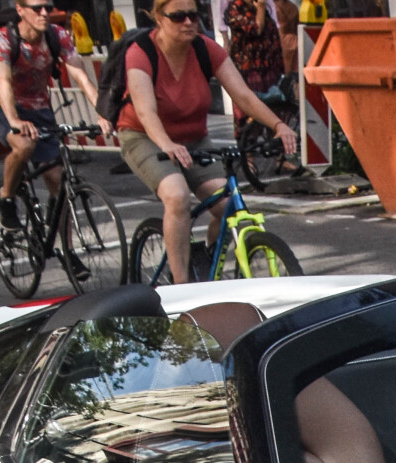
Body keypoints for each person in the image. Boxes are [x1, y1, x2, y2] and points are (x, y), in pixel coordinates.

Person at [118, 0, 295, 282]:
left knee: (227, 206)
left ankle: (210, 256)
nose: (188, 22)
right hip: (145, 136)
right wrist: (166, 144)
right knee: (176, 196)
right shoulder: (142, 52)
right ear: (159, 19)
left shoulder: (205, 48)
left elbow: (244, 95)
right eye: (178, 17)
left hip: (193, 137)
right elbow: (144, 110)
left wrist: (277, 124)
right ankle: (182, 286)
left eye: (193, 15)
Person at [0, 0, 107, 228]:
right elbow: (3, 82)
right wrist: (14, 120)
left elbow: (80, 75)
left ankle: (66, 250)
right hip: (2, 105)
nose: (44, 13)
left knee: (58, 182)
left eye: (48, 8)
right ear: (20, 10)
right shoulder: (2, 39)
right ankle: (6, 199)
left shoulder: (57, 35)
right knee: (24, 145)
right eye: (37, 8)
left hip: (39, 107)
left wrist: (102, 113)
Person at [223, 0, 280, 95]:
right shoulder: (236, 8)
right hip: (249, 72)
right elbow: (255, 30)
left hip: (269, 70)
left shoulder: (262, 5)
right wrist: (261, 7)